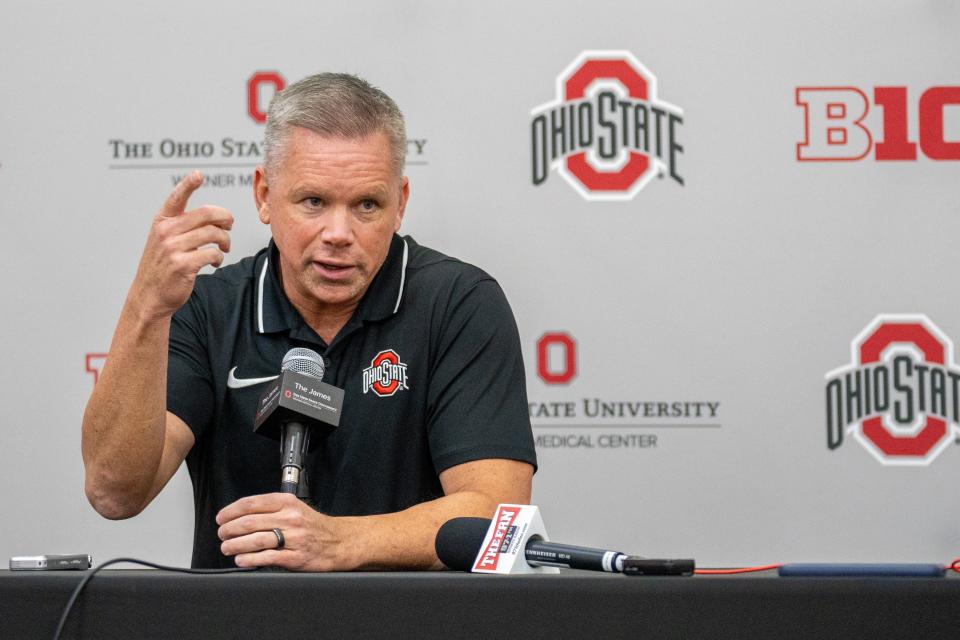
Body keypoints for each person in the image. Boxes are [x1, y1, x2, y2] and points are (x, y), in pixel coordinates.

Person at [81, 73, 537, 570]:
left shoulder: (459, 303)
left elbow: (498, 516)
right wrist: (148, 305)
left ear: (400, 202)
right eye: (313, 202)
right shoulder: (207, 308)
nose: (338, 234)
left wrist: (338, 542)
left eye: (367, 204)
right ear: (263, 195)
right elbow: (113, 492)